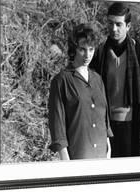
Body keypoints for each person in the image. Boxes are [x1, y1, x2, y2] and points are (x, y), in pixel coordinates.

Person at [90, 2, 140, 157]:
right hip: (105, 125)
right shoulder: (98, 54)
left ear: (128, 26)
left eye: (118, 24)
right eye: (110, 23)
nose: (113, 28)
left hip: (133, 125)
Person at [48, 23, 113, 160]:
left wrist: (108, 148)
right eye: (82, 49)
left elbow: (104, 119)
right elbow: (57, 127)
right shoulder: (61, 81)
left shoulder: (98, 79)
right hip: (78, 154)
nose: (87, 55)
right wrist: (66, 161)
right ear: (74, 49)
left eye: (91, 49)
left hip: (102, 154)